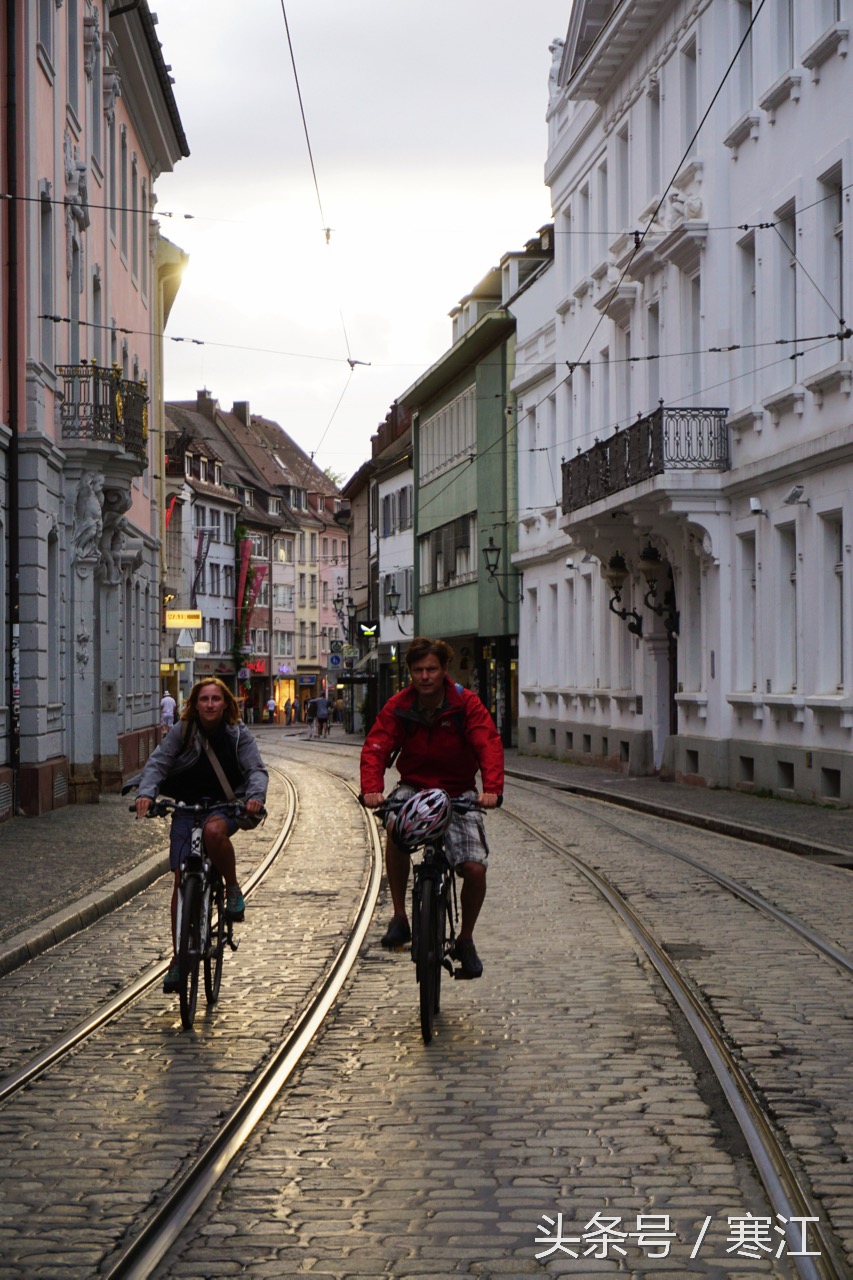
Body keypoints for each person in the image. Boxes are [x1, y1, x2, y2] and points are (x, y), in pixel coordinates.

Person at [360, 636, 503, 979]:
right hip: (415, 787)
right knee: (395, 830)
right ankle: (400, 917)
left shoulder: (465, 704)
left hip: (457, 791)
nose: (425, 676)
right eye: (418, 670)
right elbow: (377, 745)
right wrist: (372, 790)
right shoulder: (399, 704)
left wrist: (492, 790)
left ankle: (465, 939)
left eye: (431, 669)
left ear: (444, 671)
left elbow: (488, 743)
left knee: (474, 870)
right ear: (410, 672)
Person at [133, 678, 268, 994]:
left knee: (213, 832)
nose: (210, 705)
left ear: (225, 704)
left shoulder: (237, 734)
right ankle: (180, 959)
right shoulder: (182, 732)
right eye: (204, 699)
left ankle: (232, 888)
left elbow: (256, 770)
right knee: (181, 880)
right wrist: (146, 793)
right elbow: (158, 763)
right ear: (195, 704)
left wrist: (255, 797)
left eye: (215, 699)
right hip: (186, 807)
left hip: (225, 805)